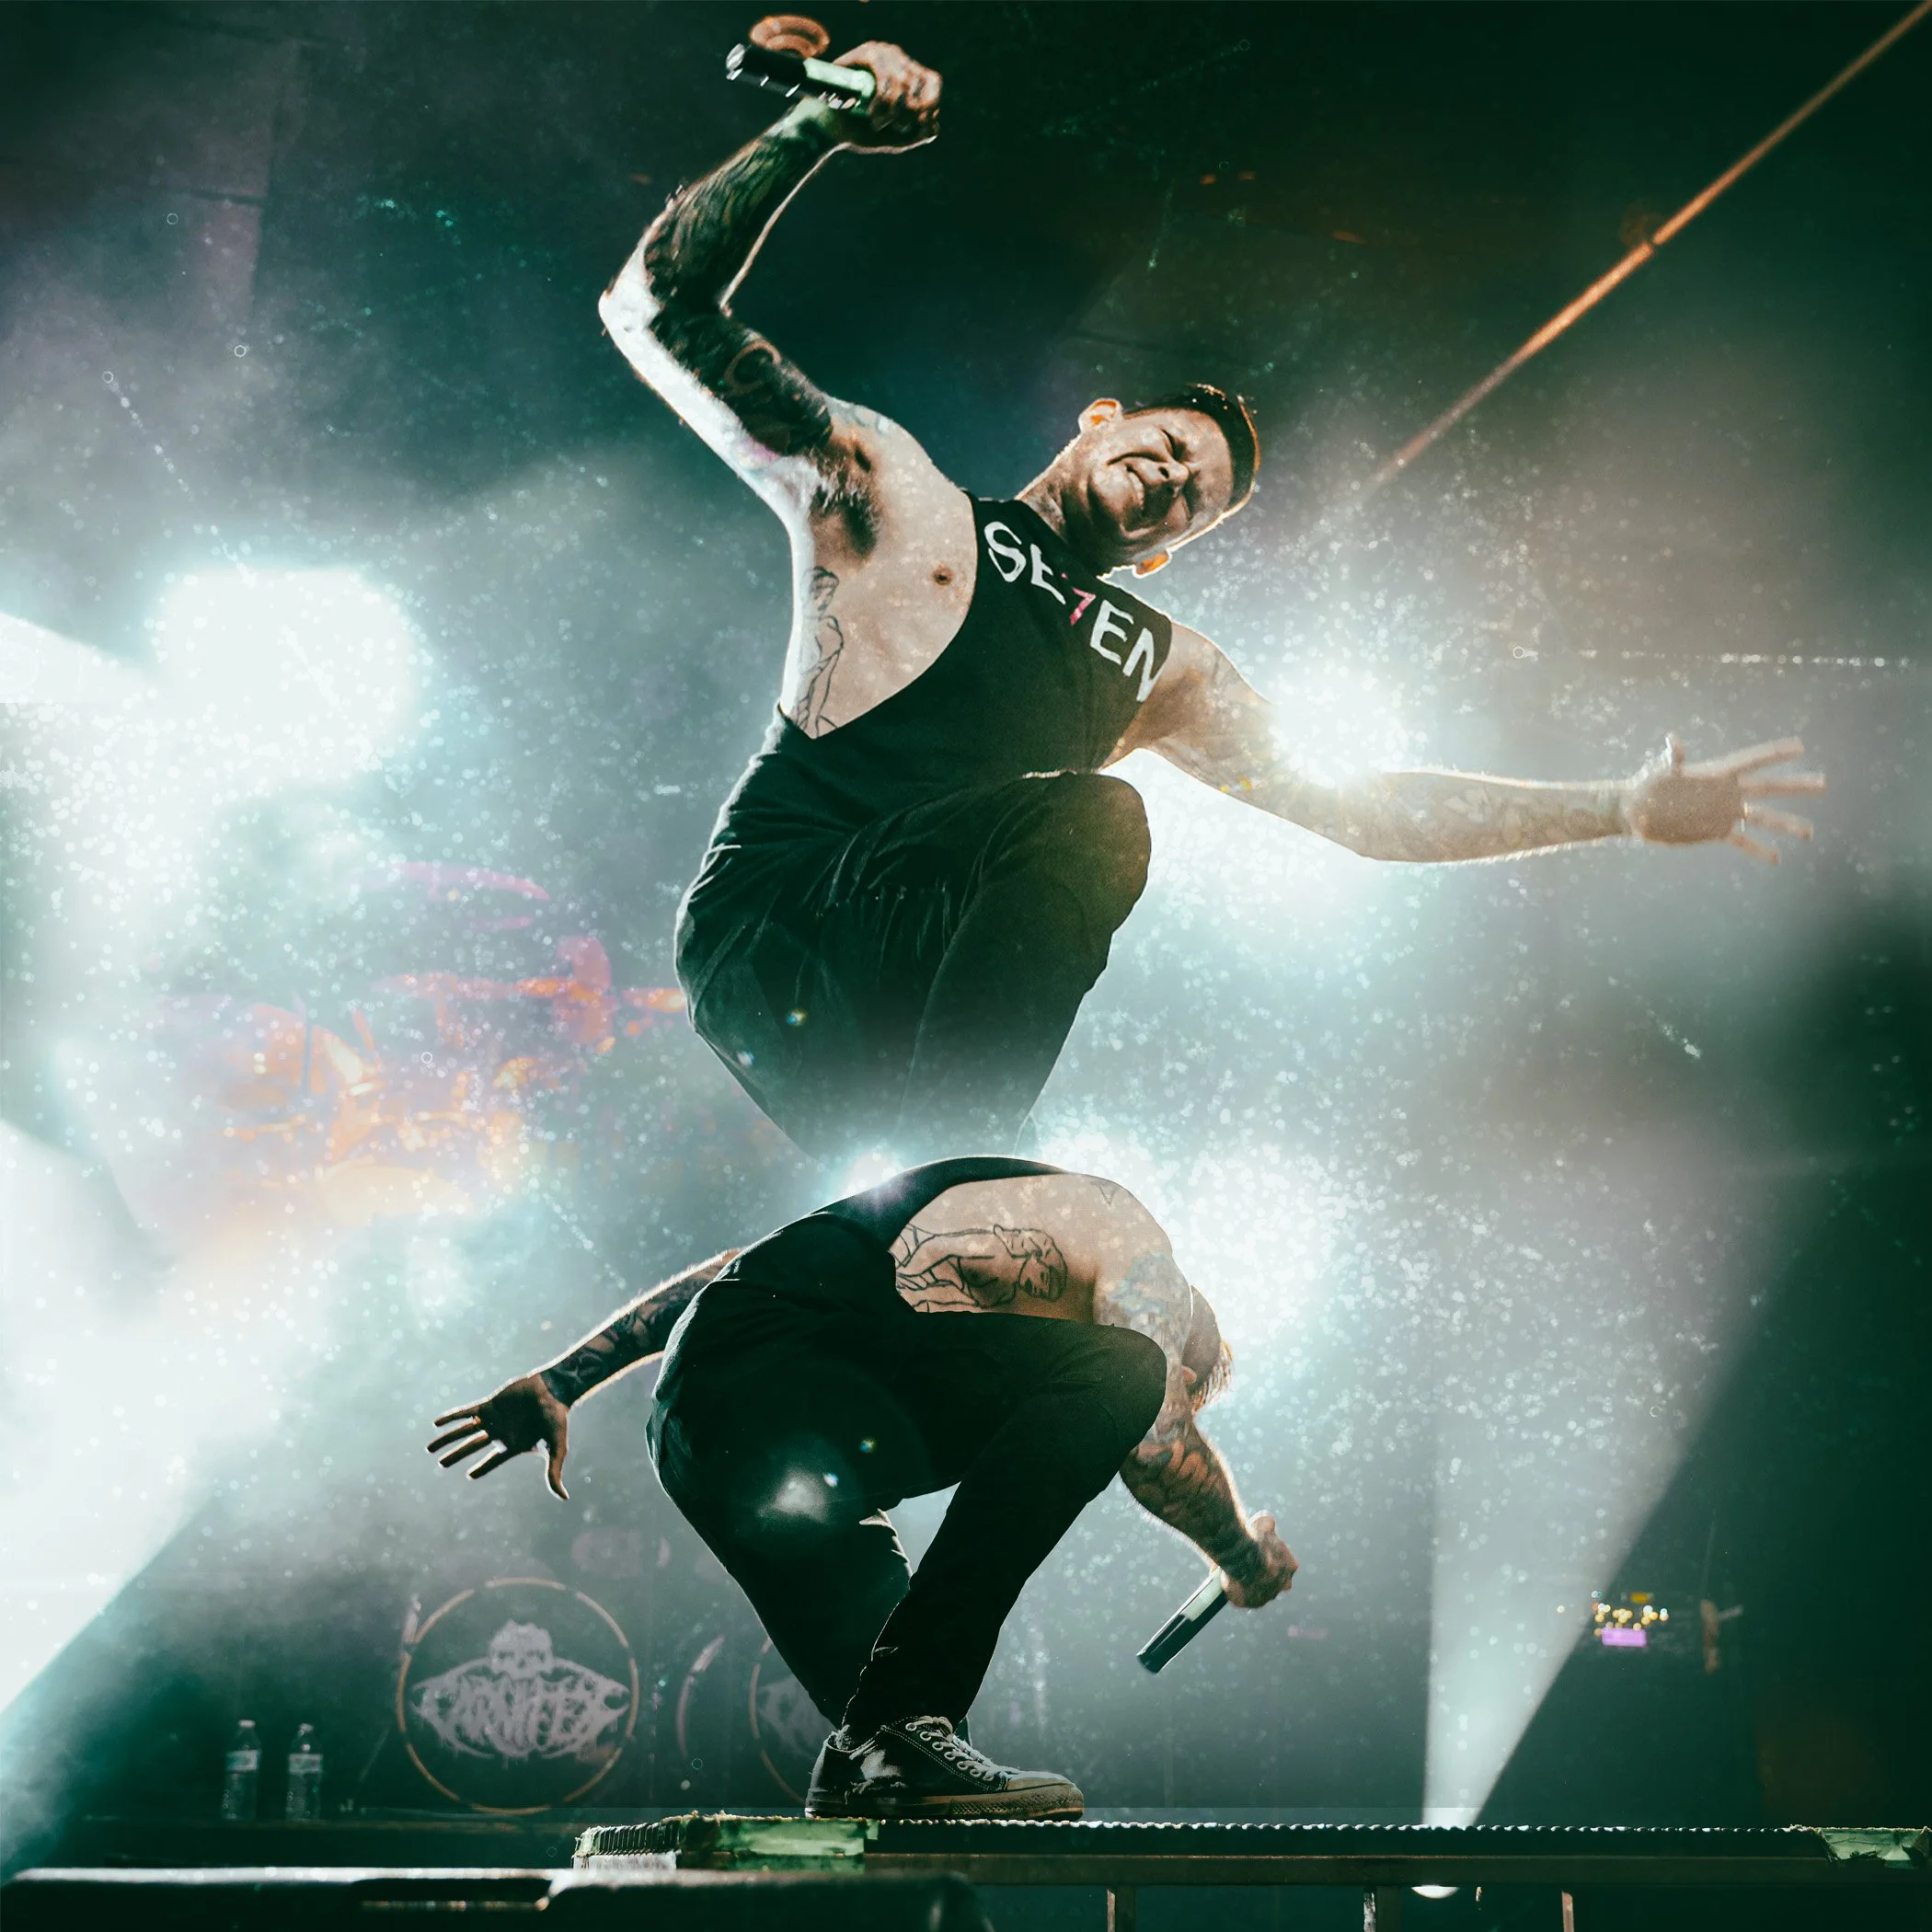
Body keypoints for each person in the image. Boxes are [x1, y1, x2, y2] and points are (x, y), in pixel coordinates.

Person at [598, 42, 1824, 1164]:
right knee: (1093, 821)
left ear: (1177, 548)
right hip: (777, 914)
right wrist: (813, 123)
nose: (1181, 478)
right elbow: (654, 308)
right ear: (1102, 419)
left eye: (1200, 501)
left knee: (1097, 832)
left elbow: (1370, 811)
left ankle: (935, 1203)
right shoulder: (901, 497)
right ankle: (959, 1167)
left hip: (897, 1003)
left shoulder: (1162, 666)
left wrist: (1617, 805)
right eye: (1178, 444)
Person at [427, 1156, 1296, 1818]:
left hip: (708, 1437)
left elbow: (731, 1274)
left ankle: (883, 1749)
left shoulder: (939, 1228)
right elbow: (1155, 1435)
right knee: (1125, 1371)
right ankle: (907, 1719)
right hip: (796, 1379)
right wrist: (1240, 1558)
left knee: (891, 1740)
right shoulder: (1130, 1244)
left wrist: (564, 1380)